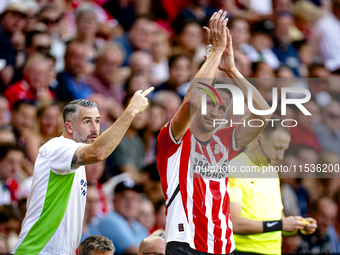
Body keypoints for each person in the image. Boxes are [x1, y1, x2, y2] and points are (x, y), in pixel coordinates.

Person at [157, 10, 272, 254]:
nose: (215, 112)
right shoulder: (175, 138)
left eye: (221, 108)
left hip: (224, 247)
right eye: (210, 104)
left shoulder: (223, 141)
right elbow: (192, 101)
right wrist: (216, 51)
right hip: (186, 244)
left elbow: (263, 113)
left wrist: (231, 70)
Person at [12, 86, 153, 255]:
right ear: (69, 127)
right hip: (36, 251)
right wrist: (130, 111)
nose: (95, 128)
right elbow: (99, 152)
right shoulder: (58, 147)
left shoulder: (76, 160)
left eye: (98, 121)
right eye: (87, 121)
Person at [229, 118, 317, 255]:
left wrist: (299, 227)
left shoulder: (271, 171)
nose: (281, 156)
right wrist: (281, 224)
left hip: (274, 251)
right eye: (277, 148)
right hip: (243, 250)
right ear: (259, 139)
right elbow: (234, 223)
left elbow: (277, 223)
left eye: (284, 150)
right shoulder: (234, 168)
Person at [97, 178, 149, 254]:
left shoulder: (137, 225)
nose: (130, 202)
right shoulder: (109, 220)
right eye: (125, 198)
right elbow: (133, 251)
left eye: (134, 198)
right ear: (114, 200)